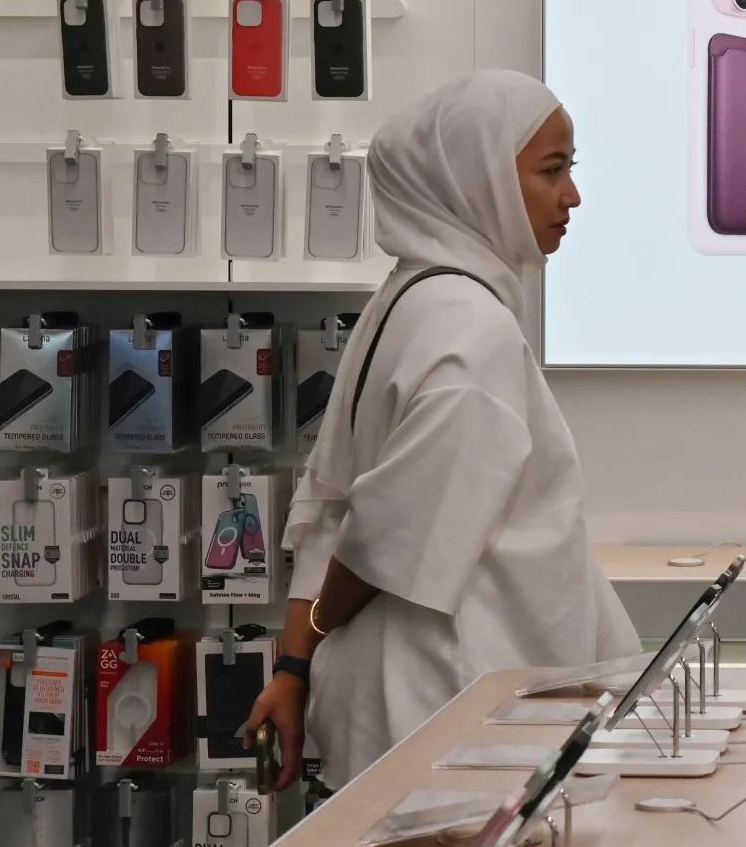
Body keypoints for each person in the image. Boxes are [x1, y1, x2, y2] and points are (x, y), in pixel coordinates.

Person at [247, 70, 640, 790]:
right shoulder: (471, 329)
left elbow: (328, 503)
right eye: (551, 170)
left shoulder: (405, 297)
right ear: (475, 179)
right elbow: (385, 538)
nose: (571, 195)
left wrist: (298, 663)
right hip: (447, 716)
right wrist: (324, 635)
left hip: (410, 717)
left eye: (570, 169)